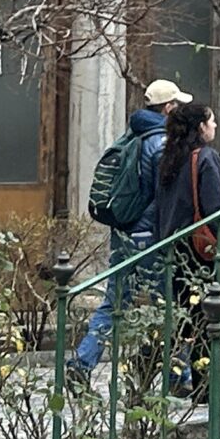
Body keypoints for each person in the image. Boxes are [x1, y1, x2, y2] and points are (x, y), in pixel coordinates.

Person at [67, 77, 185, 385]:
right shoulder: (160, 143)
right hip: (149, 238)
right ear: (168, 108)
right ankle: (180, 377)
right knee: (167, 306)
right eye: (178, 106)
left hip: (123, 234)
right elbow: (165, 194)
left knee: (115, 303)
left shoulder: (131, 136)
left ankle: (81, 364)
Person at [144, 99, 220, 396]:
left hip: (171, 248)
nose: (215, 125)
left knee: (178, 319)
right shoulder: (205, 157)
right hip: (198, 250)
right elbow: (214, 207)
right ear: (200, 127)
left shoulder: (170, 157)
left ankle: (142, 372)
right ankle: (206, 388)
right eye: (211, 120)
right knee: (206, 318)